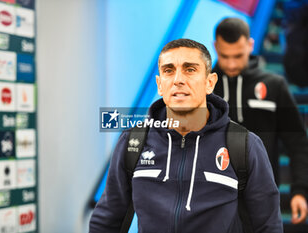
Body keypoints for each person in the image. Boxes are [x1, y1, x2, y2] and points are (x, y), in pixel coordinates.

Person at [89, 39, 283, 233]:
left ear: (210, 82)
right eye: (168, 70)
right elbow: (107, 220)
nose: (178, 79)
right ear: (159, 84)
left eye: (190, 69)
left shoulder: (244, 145)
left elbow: (268, 225)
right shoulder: (134, 142)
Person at [213, 17, 308, 225]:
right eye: (224, 56)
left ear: (250, 45)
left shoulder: (274, 86)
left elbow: (297, 142)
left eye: (238, 56)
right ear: (215, 47)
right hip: (213, 203)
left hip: (262, 202)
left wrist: (300, 190)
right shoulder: (203, 90)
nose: (230, 64)